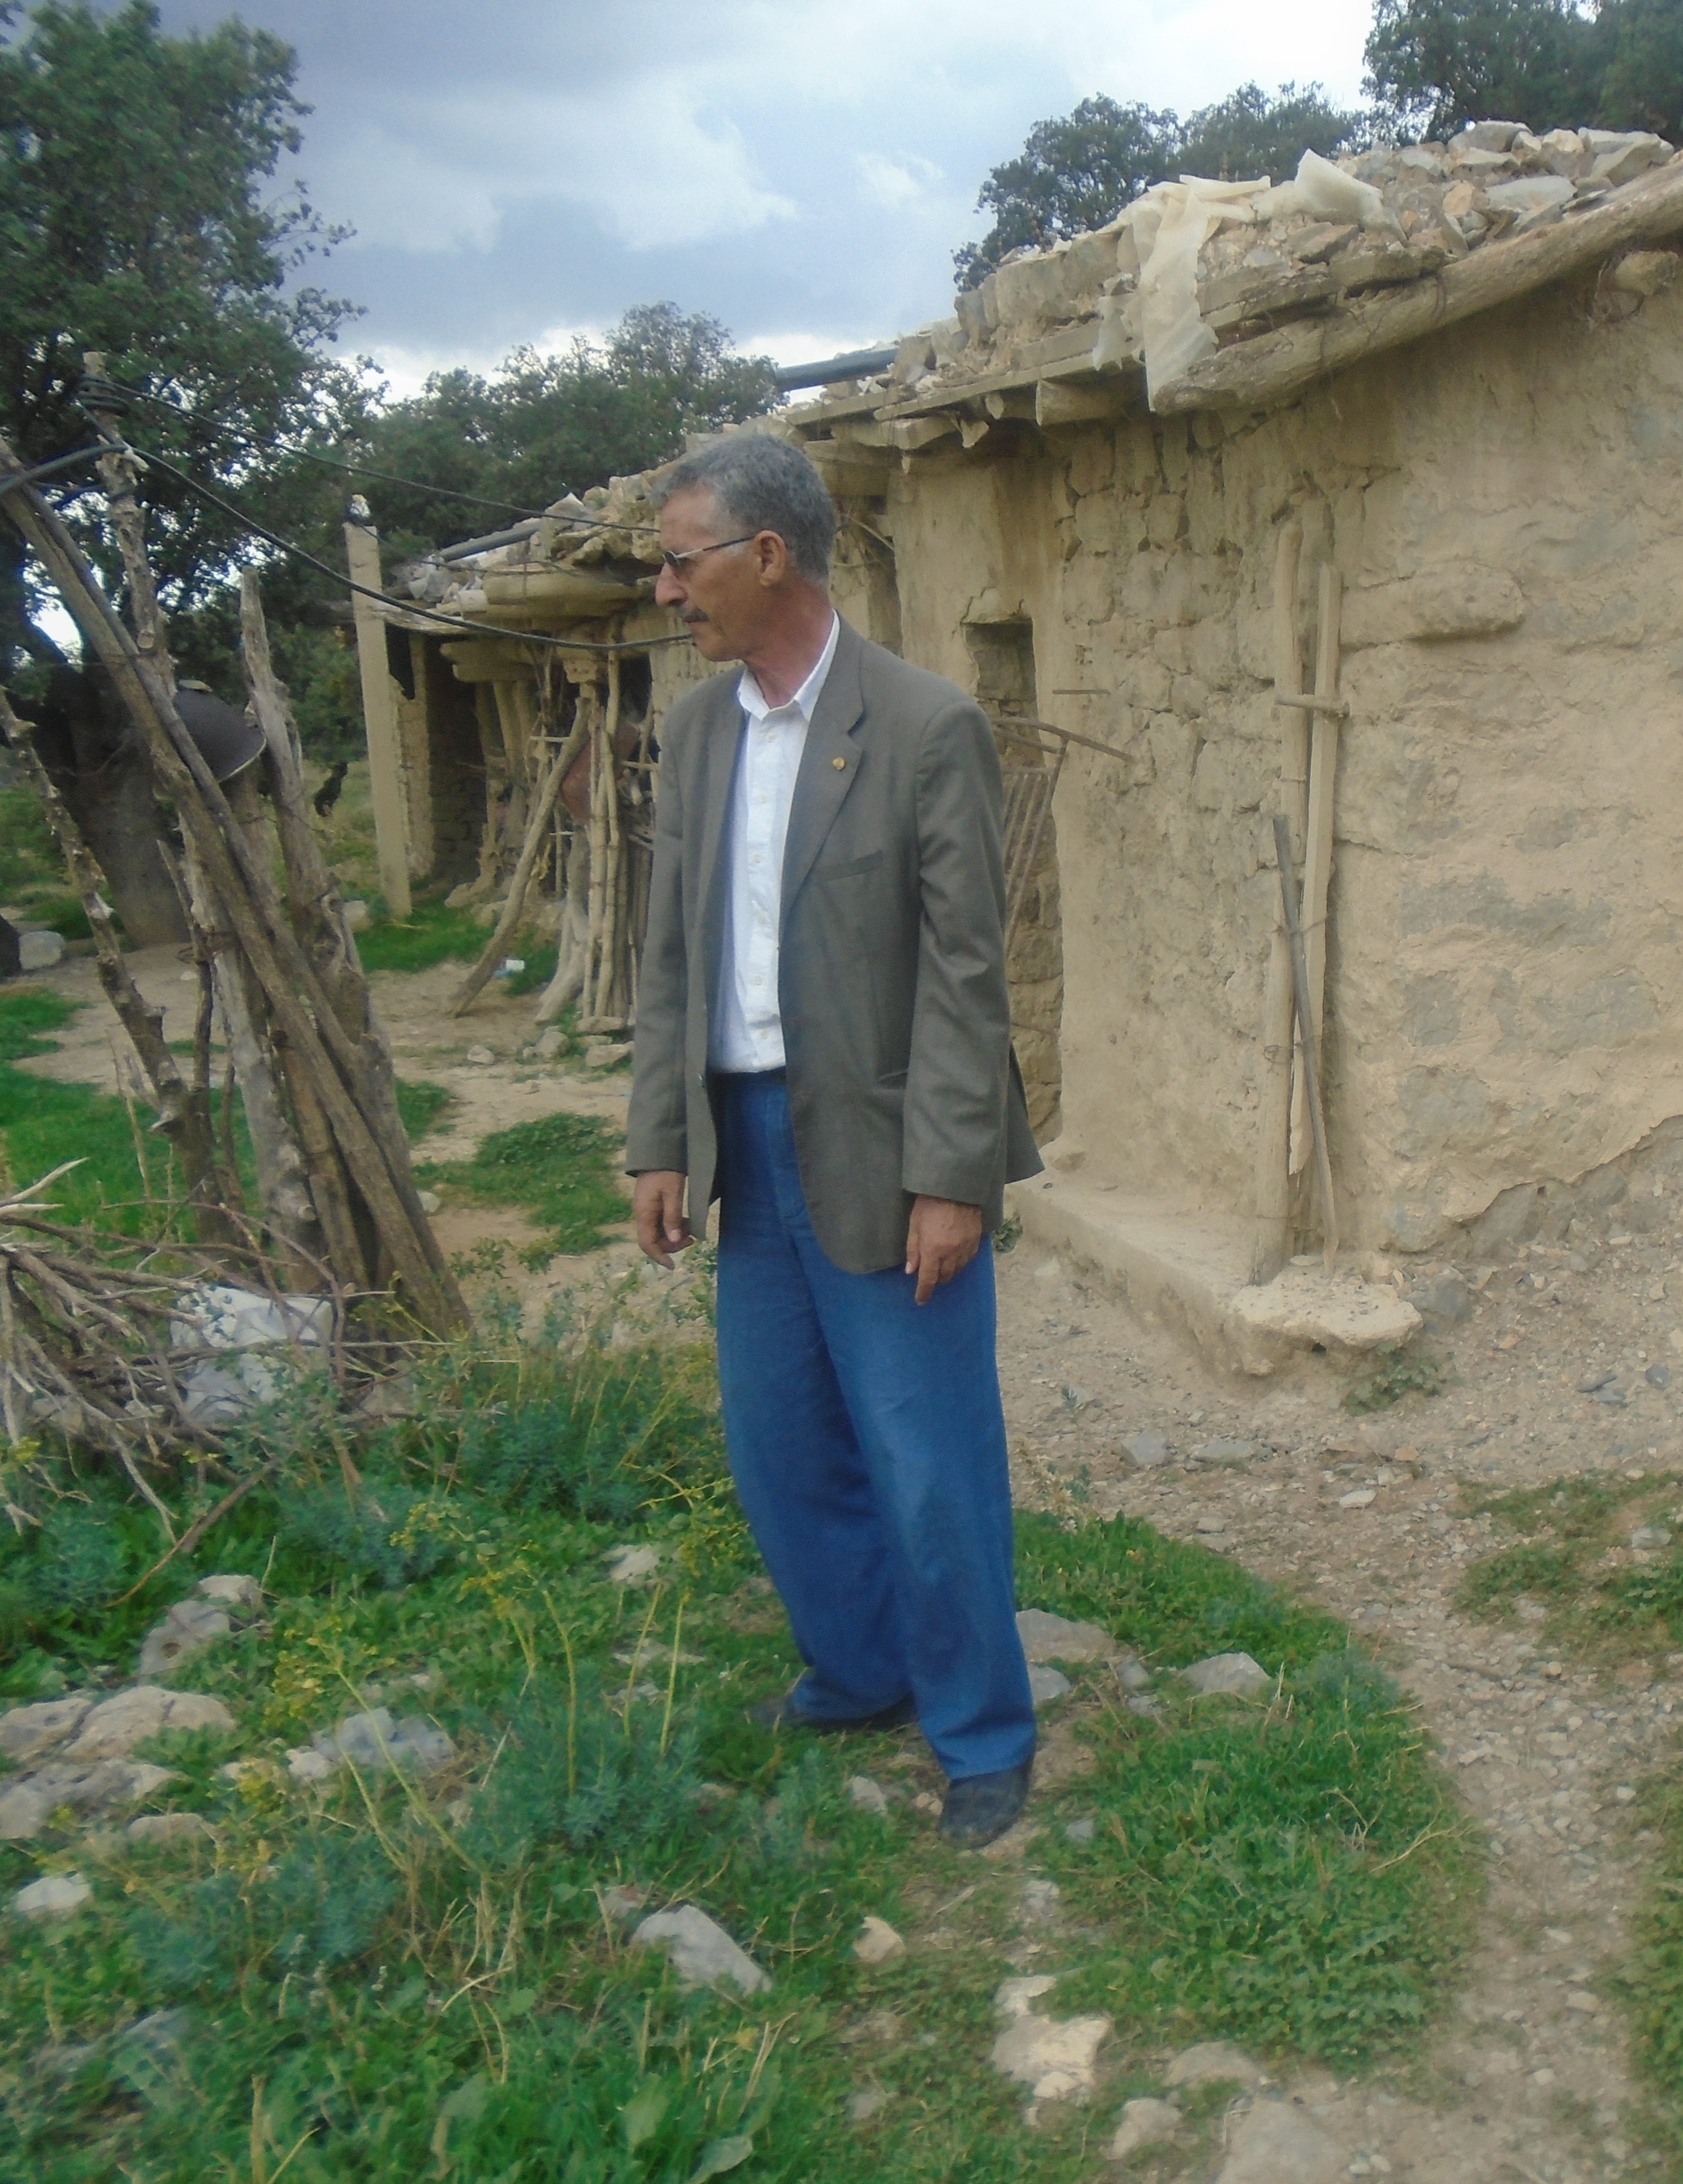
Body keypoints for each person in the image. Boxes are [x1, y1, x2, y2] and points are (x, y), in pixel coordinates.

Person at [623, 431, 1043, 1848]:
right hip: (746, 1138)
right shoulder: (695, 736)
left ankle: (982, 1731)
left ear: (766, 555)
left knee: (927, 1461)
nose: (664, 590)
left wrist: (952, 1176)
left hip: (879, 1141)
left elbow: (965, 976)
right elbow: (668, 949)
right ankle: (860, 1673)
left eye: (680, 561)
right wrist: (659, 1139)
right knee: (783, 1447)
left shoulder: (923, 726)